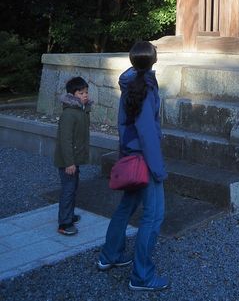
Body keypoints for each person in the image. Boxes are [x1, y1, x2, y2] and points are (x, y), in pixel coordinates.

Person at [98, 40, 168, 292]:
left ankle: (111, 254)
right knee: (154, 215)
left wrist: (124, 154)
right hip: (145, 160)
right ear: (153, 60)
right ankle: (142, 275)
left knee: (127, 206)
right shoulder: (146, 87)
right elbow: (147, 132)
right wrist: (158, 169)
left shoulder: (129, 84)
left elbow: (124, 125)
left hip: (130, 155)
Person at [54, 75, 91, 235]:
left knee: (73, 187)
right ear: (72, 95)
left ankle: (68, 214)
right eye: (81, 93)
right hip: (67, 161)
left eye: (86, 92)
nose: (85, 95)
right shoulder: (69, 114)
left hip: (73, 160)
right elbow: (65, 140)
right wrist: (69, 163)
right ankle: (64, 223)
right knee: (68, 189)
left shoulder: (81, 111)